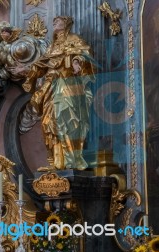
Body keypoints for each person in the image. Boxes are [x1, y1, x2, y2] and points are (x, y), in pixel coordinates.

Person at [19, 16, 95, 171]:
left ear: (66, 24)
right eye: (54, 22)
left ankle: (71, 160)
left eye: (58, 21)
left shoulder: (74, 39)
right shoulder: (51, 47)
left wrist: (77, 61)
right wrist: (28, 72)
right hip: (50, 87)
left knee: (67, 119)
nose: (54, 23)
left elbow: (85, 53)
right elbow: (41, 64)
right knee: (48, 122)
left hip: (67, 85)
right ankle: (54, 161)